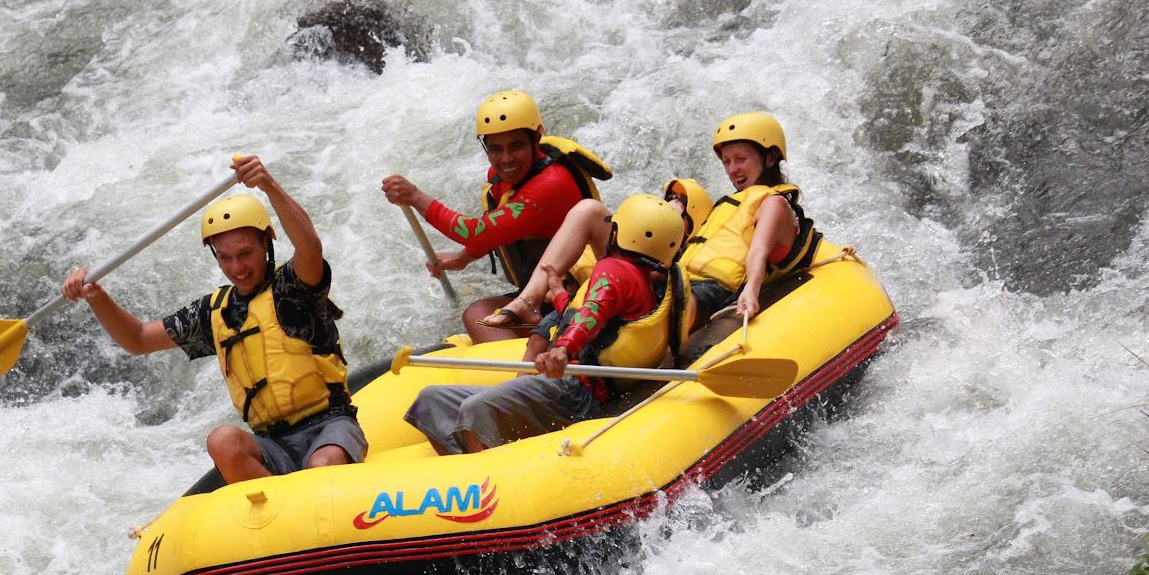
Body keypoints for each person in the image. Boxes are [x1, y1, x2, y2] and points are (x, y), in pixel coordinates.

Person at [60, 155, 366, 484]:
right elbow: (137, 339)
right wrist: (96, 296)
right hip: (273, 443)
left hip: (329, 426)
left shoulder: (294, 288)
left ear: (266, 244)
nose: (237, 267)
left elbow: (310, 245)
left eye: (246, 253)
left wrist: (268, 184)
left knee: (323, 464)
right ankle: (278, 519)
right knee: (222, 440)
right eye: (225, 257)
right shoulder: (214, 311)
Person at [403, 194, 695, 455]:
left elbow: (592, 313)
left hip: (577, 392)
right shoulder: (645, 282)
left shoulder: (614, 269)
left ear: (617, 233)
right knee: (431, 400)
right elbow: (598, 318)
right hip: (572, 386)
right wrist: (560, 298)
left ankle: (483, 485)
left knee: (474, 409)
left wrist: (564, 351)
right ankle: (467, 464)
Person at [380, 90, 613, 342]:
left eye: (516, 146)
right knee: (477, 315)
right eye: (495, 149)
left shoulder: (551, 183)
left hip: (581, 289)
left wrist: (415, 196)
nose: (506, 159)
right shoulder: (515, 172)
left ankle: (537, 370)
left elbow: (474, 231)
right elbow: (503, 224)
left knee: (477, 315)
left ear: (536, 138)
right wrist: (464, 257)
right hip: (545, 288)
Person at [470, 177, 713, 330]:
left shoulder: (678, 277)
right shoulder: (623, 240)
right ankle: (526, 302)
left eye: (675, 216)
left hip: (612, 318)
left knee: (590, 210)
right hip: (571, 308)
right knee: (476, 313)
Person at [680, 112, 821, 324]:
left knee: (673, 308)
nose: (732, 169)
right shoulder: (727, 204)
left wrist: (752, 290)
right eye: (726, 162)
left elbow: (759, 251)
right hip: (682, 279)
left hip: (715, 291)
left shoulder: (775, 203)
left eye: (740, 159)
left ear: (770, 158)